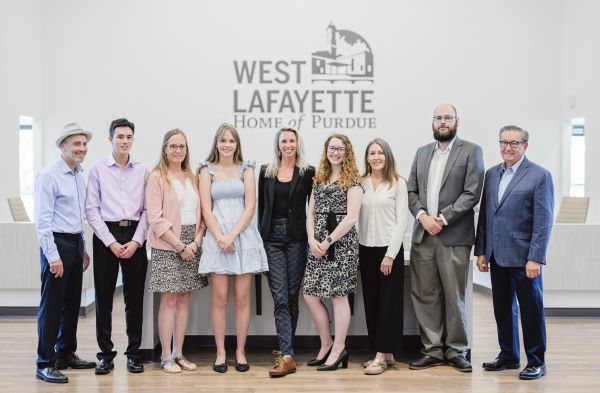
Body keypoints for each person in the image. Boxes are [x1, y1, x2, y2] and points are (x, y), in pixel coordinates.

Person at [407, 104, 484, 372]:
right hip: (423, 235)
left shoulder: (471, 151)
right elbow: (411, 191)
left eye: (447, 118)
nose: (442, 122)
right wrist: (422, 217)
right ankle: (432, 350)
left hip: (454, 236)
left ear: (457, 121)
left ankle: (456, 350)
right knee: (425, 294)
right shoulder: (422, 152)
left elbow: (472, 193)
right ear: (433, 122)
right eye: (438, 118)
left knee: (455, 296)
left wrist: (443, 218)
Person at [475, 125, 554, 380]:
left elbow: (543, 221)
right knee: (502, 309)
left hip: (524, 258)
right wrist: (482, 251)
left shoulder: (539, 176)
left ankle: (536, 361)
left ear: (525, 146)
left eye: (514, 143)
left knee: (531, 310)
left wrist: (535, 257)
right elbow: (486, 215)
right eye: (503, 143)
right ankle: (508, 355)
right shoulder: (492, 174)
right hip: (497, 255)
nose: (507, 148)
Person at [198, 123, 268, 373]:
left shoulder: (246, 168)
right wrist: (220, 237)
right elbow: (206, 208)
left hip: (243, 236)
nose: (227, 144)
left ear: (237, 144)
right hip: (217, 238)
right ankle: (220, 352)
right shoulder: (206, 170)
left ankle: (240, 352)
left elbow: (250, 207)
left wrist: (233, 236)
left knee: (242, 299)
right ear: (216, 143)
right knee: (220, 298)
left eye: (232, 141)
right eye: (223, 140)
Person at [34, 123, 96, 383]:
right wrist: (54, 256)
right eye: (76, 144)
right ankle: (44, 362)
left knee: (72, 305)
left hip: (74, 243)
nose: (82, 149)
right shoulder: (49, 176)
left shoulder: (78, 175)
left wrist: (83, 248)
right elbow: (43, 222)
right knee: (52, 307)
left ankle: (65, 354)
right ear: (63, 146)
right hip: (57, 245)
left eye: (84, 144)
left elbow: (77, 218)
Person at [85, 118, 148, 374]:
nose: (124, 141)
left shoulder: (143, 171)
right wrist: (110, 242)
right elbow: (91, 209)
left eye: (128, 137)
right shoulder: (97, 169)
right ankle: (105, 355)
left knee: (134, 299)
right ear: (110, 139)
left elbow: (148, 211)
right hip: (105, 235)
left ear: (133, 139)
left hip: (135, 233)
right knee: (104, 299)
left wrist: (136, 241)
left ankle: (133, 353)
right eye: (120, 137)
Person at [146, 128, 208, 373]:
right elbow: (155, 218)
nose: (177, 150)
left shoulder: (192, 177)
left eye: (181, 146)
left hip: (192, 244)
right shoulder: (156, 177)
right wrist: (180, 245)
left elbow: (202, 217)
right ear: (165, 148)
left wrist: (194, 243)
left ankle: (179, 353)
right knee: (169, 298)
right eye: (173, 146)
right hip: (167, 244)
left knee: (184, 297)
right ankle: (165, 356)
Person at [257, 127, 315, 378]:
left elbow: (312, 209)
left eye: (292, 141)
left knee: (292, 296)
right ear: (278, 145)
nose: (288, 144)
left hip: (297, 239)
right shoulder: (265, 172)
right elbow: (262, 209)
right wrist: (259, 240)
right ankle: (287, 355)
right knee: (280, 296)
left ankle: (287, 354)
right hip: (271, 239)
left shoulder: (308, 172)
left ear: (297, 144)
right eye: (284, 141)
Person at [303, 133, 363, 371]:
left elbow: (351, 218)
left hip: (341, 246)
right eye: (332, 148)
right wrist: (311, 240)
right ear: (326, 150)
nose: (335, 152)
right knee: (310, 294)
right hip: (316, 244)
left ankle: (339, 349)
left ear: (347, 152)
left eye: (340, 149)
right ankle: (326, 342)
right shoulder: (319, 178)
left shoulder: (354, 180)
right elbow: (310, 214)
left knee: (338, 296)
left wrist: (327, 241)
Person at [358, 138, 409, 375]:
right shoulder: (360, 183)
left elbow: (401, 223)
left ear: (387, 156)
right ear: (367, 158)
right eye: (372, 153)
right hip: (365, 250)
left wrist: (389, 255)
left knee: (388, 304)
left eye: (380, 153)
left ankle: (380, 356)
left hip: (389, 251)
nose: (376, 157)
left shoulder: (398, 183)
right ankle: (385, 354)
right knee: (372, 303)